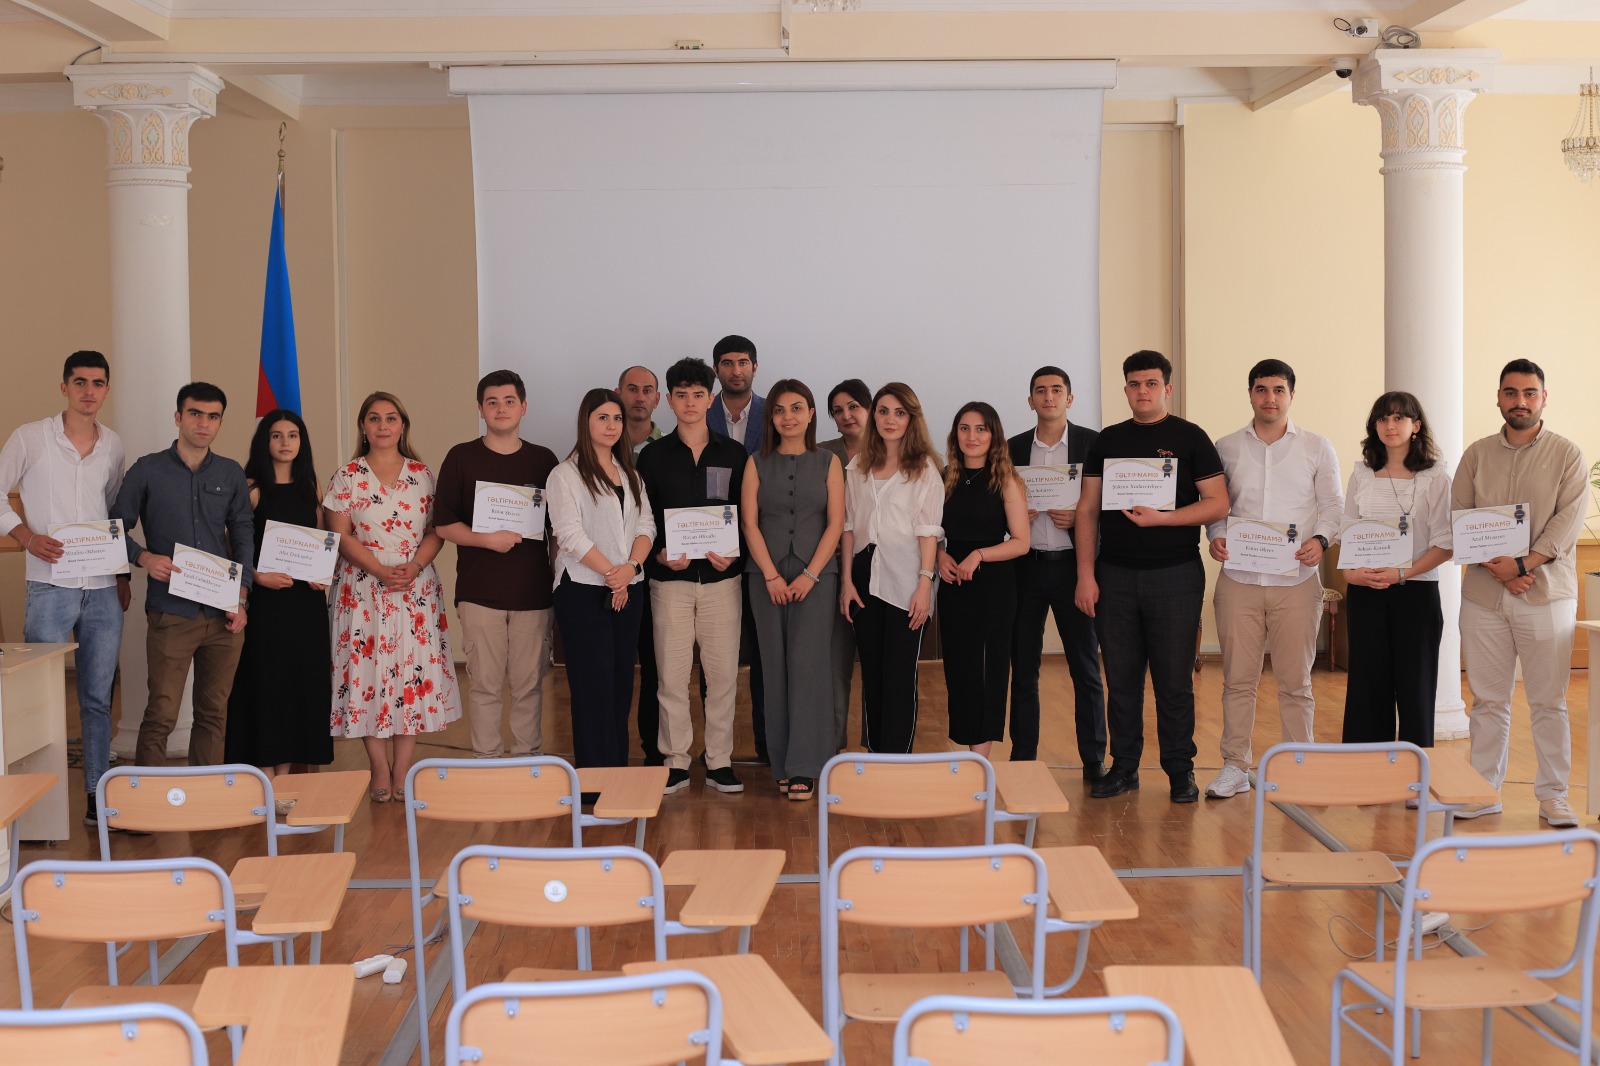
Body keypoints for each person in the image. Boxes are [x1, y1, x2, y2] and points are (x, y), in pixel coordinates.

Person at [1075, 351, 1228, 803]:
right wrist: (1086, 574)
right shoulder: (1106, 441)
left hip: (1175, 575)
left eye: (1151, 383)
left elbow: (1217, 503)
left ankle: (1180, 771)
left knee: (1174, 681)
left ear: (1167, 388)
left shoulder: (1190, 437)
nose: (1143, 391)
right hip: (1115, 576)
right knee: (1121, 680)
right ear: (1125, 390)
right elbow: (1087, 509)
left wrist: (1162, 520)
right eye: (1134, 383)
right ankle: (1124, 768)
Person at [1451, 360, 1587, 827]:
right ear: (1498, 398)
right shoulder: (1476, 455)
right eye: (1511, 393)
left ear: (1544, 398)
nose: (1520, 402)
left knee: (1549, 701)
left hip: (1547, 594)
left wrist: (1524, 565)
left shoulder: (1568, 455)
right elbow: (1461, 516)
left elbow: (1566, 524)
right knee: (1488, 700)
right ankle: (1483, 791)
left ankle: (1554, 797)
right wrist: (1503, 571)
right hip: (1485, 596)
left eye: (1530, 393)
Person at [1203, 360, 1343, 799]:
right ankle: (1234, 765)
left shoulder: (1318, 447)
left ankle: (1300, 763)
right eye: (1261, 390)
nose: (1270, 398)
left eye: (1278, 390)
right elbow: (1216, 505)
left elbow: (1333, 507)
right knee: (1237, 679)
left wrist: (1320, 540)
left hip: (1297, 580)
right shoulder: (1225, 447)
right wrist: (1217, 536)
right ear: (1250, 394)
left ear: (1291, 395)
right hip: (1239, 579)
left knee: (1296, 681)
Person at [0, 351, 129, 826]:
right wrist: (26, 537)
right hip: (50, 586)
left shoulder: (114, 445)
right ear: (64, 387)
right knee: (40, 698)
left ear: (106, 390)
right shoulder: (30, 437)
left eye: (97, 383)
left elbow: (114, 511)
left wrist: (122, 576)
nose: (88, 391)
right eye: (80, 382)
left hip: (100, 587)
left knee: (97, 698)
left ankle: (97, 798)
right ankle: (37, 810)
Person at [325, 392, 461, 802]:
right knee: (366, 675)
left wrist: (414, 566)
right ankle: (378, 767)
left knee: (409, 677)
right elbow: (339, 534)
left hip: (414, 589)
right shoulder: (347, 475)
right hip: (363, 588)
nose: (383, 425)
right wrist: (379, 569)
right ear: (363, 427)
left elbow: (438, 528)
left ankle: (403, 768)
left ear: (403, 426)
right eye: (374, 418)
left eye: (391, 418)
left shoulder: (423, 474)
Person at [113, 382, 253, 769]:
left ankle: (206, 797)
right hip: (172, 612)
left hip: (224, 614)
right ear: (178, 417)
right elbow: (112, 529)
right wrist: (142, 557)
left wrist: (241, 595)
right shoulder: (148, 470)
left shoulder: (230, 473)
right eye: (194, 414)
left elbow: (243, 534)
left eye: (212, 417)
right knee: (161, 712)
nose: (203, 423)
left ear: (220, 422)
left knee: (213, 714)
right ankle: (147, 801)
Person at [433, 370, 560, 760]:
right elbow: (443, 523)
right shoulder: (461, 457)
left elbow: (556, 530)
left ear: (523, 406)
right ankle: (486, 761)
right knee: (484, 685)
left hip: (533, 594)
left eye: (509, 401)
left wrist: (558, 583)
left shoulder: (544, 460)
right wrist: (485, 539)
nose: (501, 409)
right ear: (480, 410)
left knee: (529, 685)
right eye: (492, 402)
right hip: (479, 593)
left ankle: (527, 760)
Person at [637, 359, 748, 795]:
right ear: (668, 400)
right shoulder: (652, 456)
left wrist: (733, 549)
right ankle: (676, 761)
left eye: (698, 394)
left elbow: (745, 515)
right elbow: (642, 518)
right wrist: (660, 553)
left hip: (723, 582)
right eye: (680, 394)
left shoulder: (734, 454)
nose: (689, 402)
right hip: (670, 584)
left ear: (710, 398)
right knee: (671, 677)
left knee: (722, 677)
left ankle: (719, 760)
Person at [743, 379, 845, 800]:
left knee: (809, 667)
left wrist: (810, 575)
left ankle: (806, 765)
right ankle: (782, 764)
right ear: (772, 418)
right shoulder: (755, 462)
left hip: (816, 578)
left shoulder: (828, 462)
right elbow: (748, 522)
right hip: (764, 577)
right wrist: (769, 574)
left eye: (797, 408)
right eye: (781, 410)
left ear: (811, 414)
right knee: (774, 666)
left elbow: (836, 524)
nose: (789, 417)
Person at [548, 388, 655, 769]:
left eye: (617, 418)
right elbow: (570, 535)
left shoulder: (630, 473)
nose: (611, 425)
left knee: (620, 685)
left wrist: (631, 570)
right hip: (582, 591)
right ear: (586, 422)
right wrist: (614, 575)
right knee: (593, 688)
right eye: (602, 418)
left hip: (629, 590)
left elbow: (646, 526)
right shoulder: (565, 474)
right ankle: (594, 782)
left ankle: (617, 774)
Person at [1339, 392, 1453, 749]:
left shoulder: (1436, 477)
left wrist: (1402, 574)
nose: (1391, 425)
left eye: (1399, 418)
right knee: (1367, 681)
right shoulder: (1362, 474)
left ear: (1416, 426)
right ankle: (1366, 769)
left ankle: (1414, 774)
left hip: (1416, 591)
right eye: (1383, 419)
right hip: (1366, 588)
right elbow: (1348, 529)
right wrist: (1350, 574)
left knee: (1416, 683)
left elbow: (1446, 543)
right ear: (1374, 426)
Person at [1007, 366, 1105, 778]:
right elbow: (994, 506)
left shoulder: (1093, 444)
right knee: (1024, 667)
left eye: (1057, 390)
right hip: (1024, 571)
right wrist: (1013, 519)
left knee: (1085, 667)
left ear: (1070, 398)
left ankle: (1094, 760)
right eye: (1040, 391)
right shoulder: (1010, 449)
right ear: (1030, 401)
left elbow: (1110, 506)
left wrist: (1083, 519)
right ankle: (1023, 759)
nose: (1049, 397)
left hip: (1074, 569)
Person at [225, 410, 334, 776]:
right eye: (276, 435)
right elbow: (232, 552)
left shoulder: (312, 487)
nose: (285, 443)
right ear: (264, 441)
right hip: (267, 605)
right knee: (267, 685)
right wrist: (258, 578)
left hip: (306, 605)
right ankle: (264, 773)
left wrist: (322, 575)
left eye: (292, 435)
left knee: (299, 686)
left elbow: (321, 542)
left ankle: (285, 777)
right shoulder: (252, 488)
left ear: (302, 442)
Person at [841, 382, 943, 754]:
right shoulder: (858, 467)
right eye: (883, 411)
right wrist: (847, 583)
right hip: (865, 574)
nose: (890, 419)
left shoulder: (925, 469)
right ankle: (875, 756)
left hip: (908, 577)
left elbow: (928, 531)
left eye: (899, 413)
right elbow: (849, 526)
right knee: (872, 674)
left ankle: (897, 758)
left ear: (911, 419)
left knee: (900, 676)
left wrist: (924, 584)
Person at [938, 402, 1029, 757]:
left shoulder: (1006, 479)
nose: (972, 436)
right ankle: (964, 752)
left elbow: (1022, 542)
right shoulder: (945, 476)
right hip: (954, 587)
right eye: (964, 428)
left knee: (989, 670)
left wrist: (979, 555)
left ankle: (980, 759)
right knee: (960, 669)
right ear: (955, 435)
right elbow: (933, 532)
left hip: (994, 587)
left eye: (980, 429)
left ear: (994, 435)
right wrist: (941, 555)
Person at [705, 335, 768, 762]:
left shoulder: (774, 412)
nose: (736, 370)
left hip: (766, 547)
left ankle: (767, 746)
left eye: (743, 362)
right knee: (715, 656)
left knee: (764, 652)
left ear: (754, 367)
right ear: (717, 370)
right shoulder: (697, 413)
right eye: (727, 363)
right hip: (713, 549)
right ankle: (715, 751)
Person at [619, 364, 665, 764]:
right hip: (602, 576)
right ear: (619, 394)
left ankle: (654, 751)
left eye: (646, 390)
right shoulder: (593, 446)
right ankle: (611, 752)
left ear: (657, 398)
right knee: (613, 670)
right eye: (631, 389)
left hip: (655, 575)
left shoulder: (668, 449)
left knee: (654, 669)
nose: (638, 396)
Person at [821, 379, 869, 749]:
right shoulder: (820, 455)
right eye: (838, 410)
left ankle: (878, 744)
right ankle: (833, 745)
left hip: (884, 574)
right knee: (834, 669)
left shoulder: (898, 452)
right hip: (832, 574)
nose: (847, 415)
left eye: (854, 406)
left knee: (880, 667)